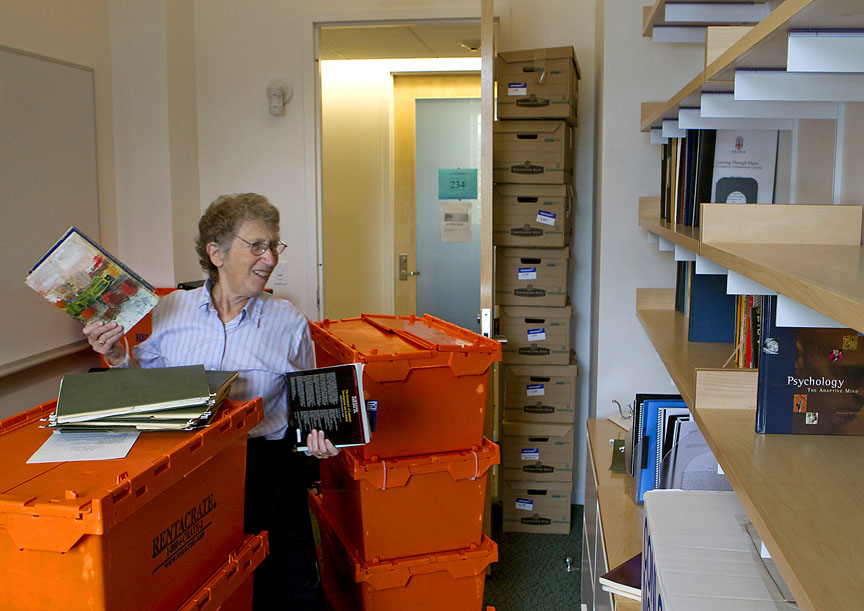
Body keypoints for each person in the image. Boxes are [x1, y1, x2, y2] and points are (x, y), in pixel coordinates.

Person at [82, 193, 334, 611]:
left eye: (274, 246)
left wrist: (319, 440)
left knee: (291, 588)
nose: (270, 258)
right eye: (257, 246)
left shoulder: (288, 321)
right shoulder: (170, 311)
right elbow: (146, 389)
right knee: (207, 583)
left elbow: (307, 403)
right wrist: (117, 357)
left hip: (265, 468)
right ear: (216, 253)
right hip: (187, 469)